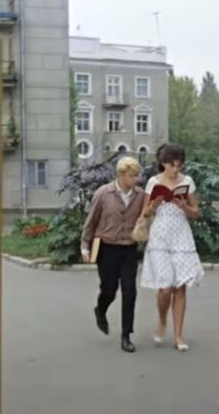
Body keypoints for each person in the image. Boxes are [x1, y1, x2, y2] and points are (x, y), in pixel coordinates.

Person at [140, 144, 204, 352]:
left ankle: (178, 335)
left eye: (179, 165)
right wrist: (154, 205)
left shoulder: (187, 182)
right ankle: (162, 319)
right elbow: (145, 213)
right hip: (160, 237)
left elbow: (196, 212)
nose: (176, 169)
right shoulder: (153, 182)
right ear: (163, 163)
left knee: (180, 286)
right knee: (165, 287)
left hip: (181, 236)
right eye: (172, 165)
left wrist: (185, 207)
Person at [81, 156, 145, 353]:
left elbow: (146, 217)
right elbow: (91, 221)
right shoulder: (104, 193)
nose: (136, 179)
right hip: (107, 248)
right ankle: (100, 310)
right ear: (121, 175)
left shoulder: (140, 195)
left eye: (137, 175)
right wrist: (85, 246)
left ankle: (126, 336)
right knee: (109, 289)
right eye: (132, 176)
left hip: (129, 248)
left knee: (130, 291)